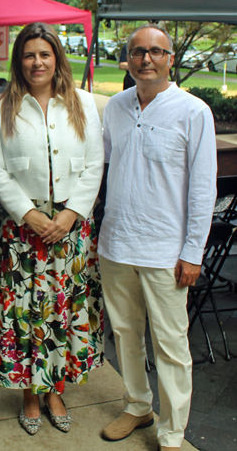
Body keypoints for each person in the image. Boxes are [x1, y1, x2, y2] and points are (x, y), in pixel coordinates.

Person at [0, 22, 105, 435]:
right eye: (29, 55)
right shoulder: (3, 107)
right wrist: (26, 214)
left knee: (62, 312)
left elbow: (93, 165)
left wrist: (72, 215)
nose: (37, 62)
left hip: (69, 230)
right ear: (19, 61)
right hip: (20, 232)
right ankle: (28, 395)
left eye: (45, 54)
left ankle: (54, 389)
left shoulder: (83, 103)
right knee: (23, 314)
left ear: (57, 59)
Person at [98, 24, 217, 451]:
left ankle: (171, 432)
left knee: (169, 343)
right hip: (115, 244)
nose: (146, 59)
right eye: (137, 52)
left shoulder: (192, 111)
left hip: (167, 251)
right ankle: (136, 405)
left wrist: (193, 252)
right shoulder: (115, 106)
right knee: (126, 333)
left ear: (170, 59)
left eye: (156, 51)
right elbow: (102, 168)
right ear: (126, 59)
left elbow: (204, 189)